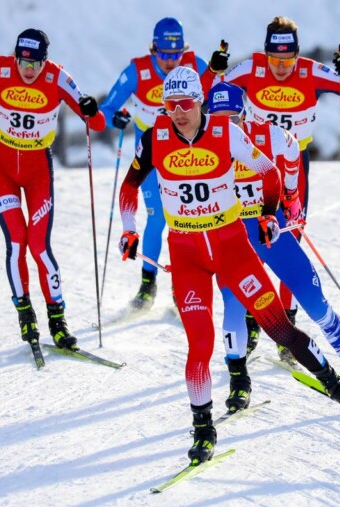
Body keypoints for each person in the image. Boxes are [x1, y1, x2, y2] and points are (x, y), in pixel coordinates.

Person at [118, 66, 340, 465]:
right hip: (188, 256)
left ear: (199, 102)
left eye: (185, 104)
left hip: (232, 247)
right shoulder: (155, 138)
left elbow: (270, 172)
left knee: (280, 329)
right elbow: (130, 187)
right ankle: (203, 428)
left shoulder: (226, 133)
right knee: (199, 345)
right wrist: (129, 228)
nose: (178, 112)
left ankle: (336, 385)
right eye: (170, 105)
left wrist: (271, 214)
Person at [207, 81, 340, 412]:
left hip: (270, 230)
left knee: (315, 302)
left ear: (244, 115)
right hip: (235, 237)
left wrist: (291, 194)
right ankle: (239, 380)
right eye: (217, 118)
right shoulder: (203, 145)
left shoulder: (265, 134)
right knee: (233, 306)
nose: (226, 126)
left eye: (232, 119)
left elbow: (293, 151)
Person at [210, 16, 340, 349]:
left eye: (288, 60)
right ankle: (254, 317)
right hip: (252, 163)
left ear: (297, 55)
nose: (281, 67)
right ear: (265, 54)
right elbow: (209, 96)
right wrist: (214, 70)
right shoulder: (250, 70)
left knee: (289, 237)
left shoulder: (310, 72)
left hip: (295, 163)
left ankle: (289, 318)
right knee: (250, 239)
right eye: (274, 60)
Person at [0, 28, 106, 353]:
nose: (29, 70)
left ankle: (58, 320)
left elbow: (97, 123)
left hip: (38, 170)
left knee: (39, 246)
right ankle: (25, 311)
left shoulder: (58, 77)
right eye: (24, 61)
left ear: (45, 61)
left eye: (35, 64)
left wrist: (90, 109)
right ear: (17, 56)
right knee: (17, 242)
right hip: (2, 167)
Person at [99, 17, 227, 311]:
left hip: (185, 153)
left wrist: (219, 73)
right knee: (157, 219)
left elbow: (221, 94)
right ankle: (148, 284)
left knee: (186, 219)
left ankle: (183, 283)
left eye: (176, 54)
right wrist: (114, 117)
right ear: (153, 49)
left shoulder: (196, 64)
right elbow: (106, 108)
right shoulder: (138, 70)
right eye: (164, 55)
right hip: (150, 153)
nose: (170, 62)